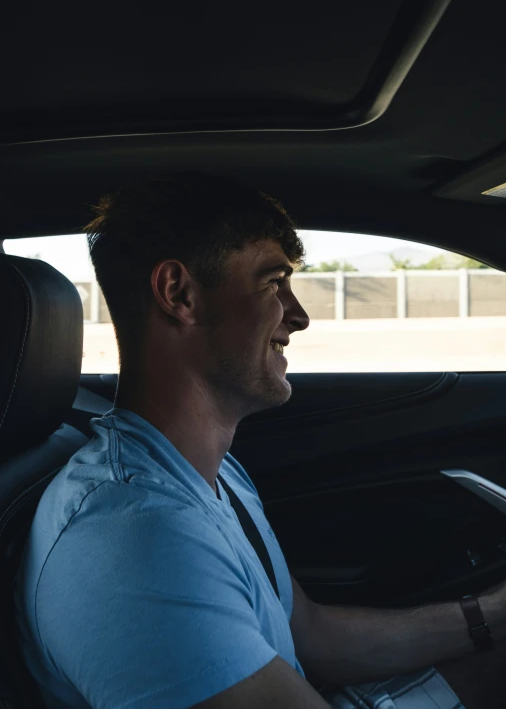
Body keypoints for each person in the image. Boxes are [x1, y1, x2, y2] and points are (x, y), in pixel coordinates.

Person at [14, 172, 506, 709]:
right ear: (179, 293)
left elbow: (316, 637)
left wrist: (492, 615)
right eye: (273, 283)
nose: (299, 316)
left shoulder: (207, 471)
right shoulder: (132, 535)